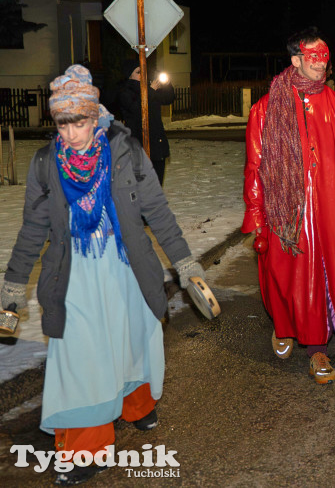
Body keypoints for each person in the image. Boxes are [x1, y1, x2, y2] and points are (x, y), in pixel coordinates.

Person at [1, 65, 200, 485]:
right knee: (82, 357)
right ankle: (87, 449)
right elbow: (33, 228)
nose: (72, 133)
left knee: (132, 337)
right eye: (63, 124)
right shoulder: (46, 164)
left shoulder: (126, 152)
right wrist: (14, 282)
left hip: (126, 265)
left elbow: (158, 211)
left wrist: (185, 264)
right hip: (73, 274)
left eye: (79, 122)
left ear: (95, 116)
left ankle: (136, 404)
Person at [242, 28, 335, 384]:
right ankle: (283, 326)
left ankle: (316, 349)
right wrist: (255, 213)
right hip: (283, 212)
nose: (322, 64)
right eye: (313, 57)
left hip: (325, 211)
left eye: (325, 57)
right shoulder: (265, 108)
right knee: (280, 277)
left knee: (319, 280)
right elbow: (255, 165)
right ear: (296, 60)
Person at [117, 60, 175, 185]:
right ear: (130, 75)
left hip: (156, 145)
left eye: (143, 71)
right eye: (138, 72)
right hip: (138, 146)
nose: (142, 75)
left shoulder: (149, 90)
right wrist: (151, 91)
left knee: (157, 183)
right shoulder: (125, 92)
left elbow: (168, 98)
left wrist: (167, 84)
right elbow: (136, 109)